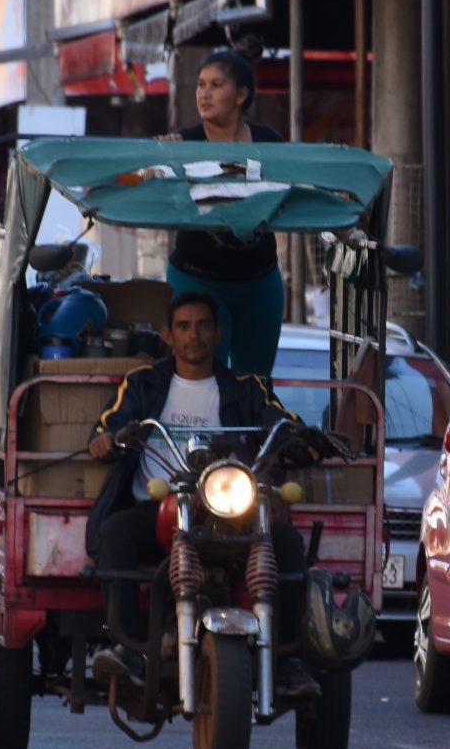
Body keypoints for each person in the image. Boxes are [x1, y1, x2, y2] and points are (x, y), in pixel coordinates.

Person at [86, 290, 316, 700]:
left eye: (204, 326)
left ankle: (286, 658)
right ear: (168, 335)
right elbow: (108, 424)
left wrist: (297, 438)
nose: (195, 335)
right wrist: (106, 440)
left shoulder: (246, 388)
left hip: (231, 509)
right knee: (116, 534)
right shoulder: (142, 384)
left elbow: (279, 421)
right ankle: (130, 647)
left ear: (218, 334)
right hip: (158, 506)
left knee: (287, 545)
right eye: (185, 326)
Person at [158, 47, 285, 379]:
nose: (205, 94)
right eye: (201, 85)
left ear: (241, 94)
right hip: (195, 281)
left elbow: (295, 189)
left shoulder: (268, 142)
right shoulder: (182, 143)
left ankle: (251, 435)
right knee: (199, 383)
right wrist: (161, 157)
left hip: (259, 283)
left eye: (216, 85)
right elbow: (147, 181)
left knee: (255, 386)